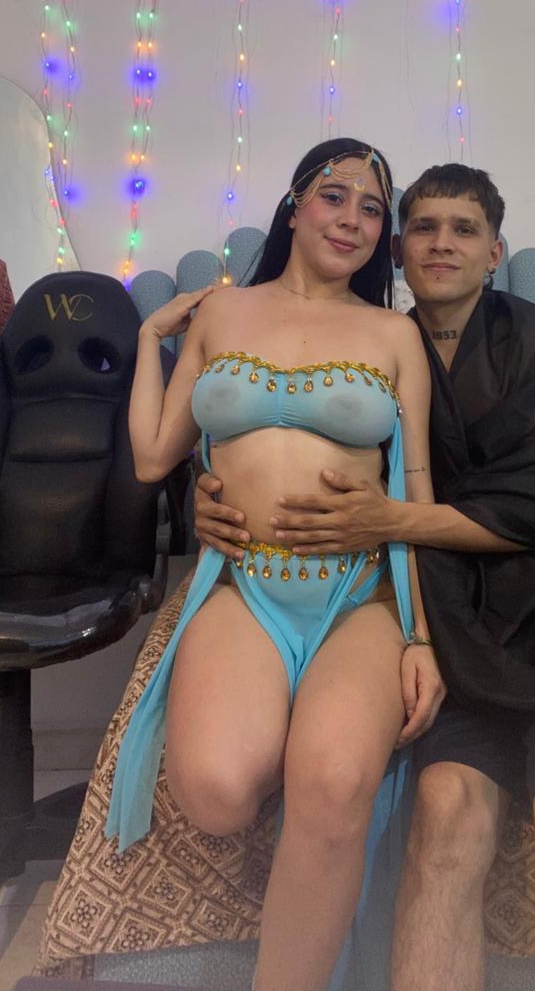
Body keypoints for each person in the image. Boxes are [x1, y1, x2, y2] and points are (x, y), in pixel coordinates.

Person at [196, 163, 535, 991]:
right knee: (444, 809)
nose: (442, 243)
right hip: (450, 609)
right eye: (424, 226)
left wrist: (392, 522)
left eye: (465, 229)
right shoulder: (380, 346)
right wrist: (214, 493)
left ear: (495, 252)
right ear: (399, 249)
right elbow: (301, 441)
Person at [107, 138, 445, 991]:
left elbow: (418, 488)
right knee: (217, 793)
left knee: (331, 782)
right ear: (296, 205)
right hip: (245, 584)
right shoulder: (222, 313)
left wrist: (422, 636)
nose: (352, 220)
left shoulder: (395, 333)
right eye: (335, 196)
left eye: (372, 209)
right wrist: (148, 337)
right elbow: (152, 456)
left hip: (360, 595)